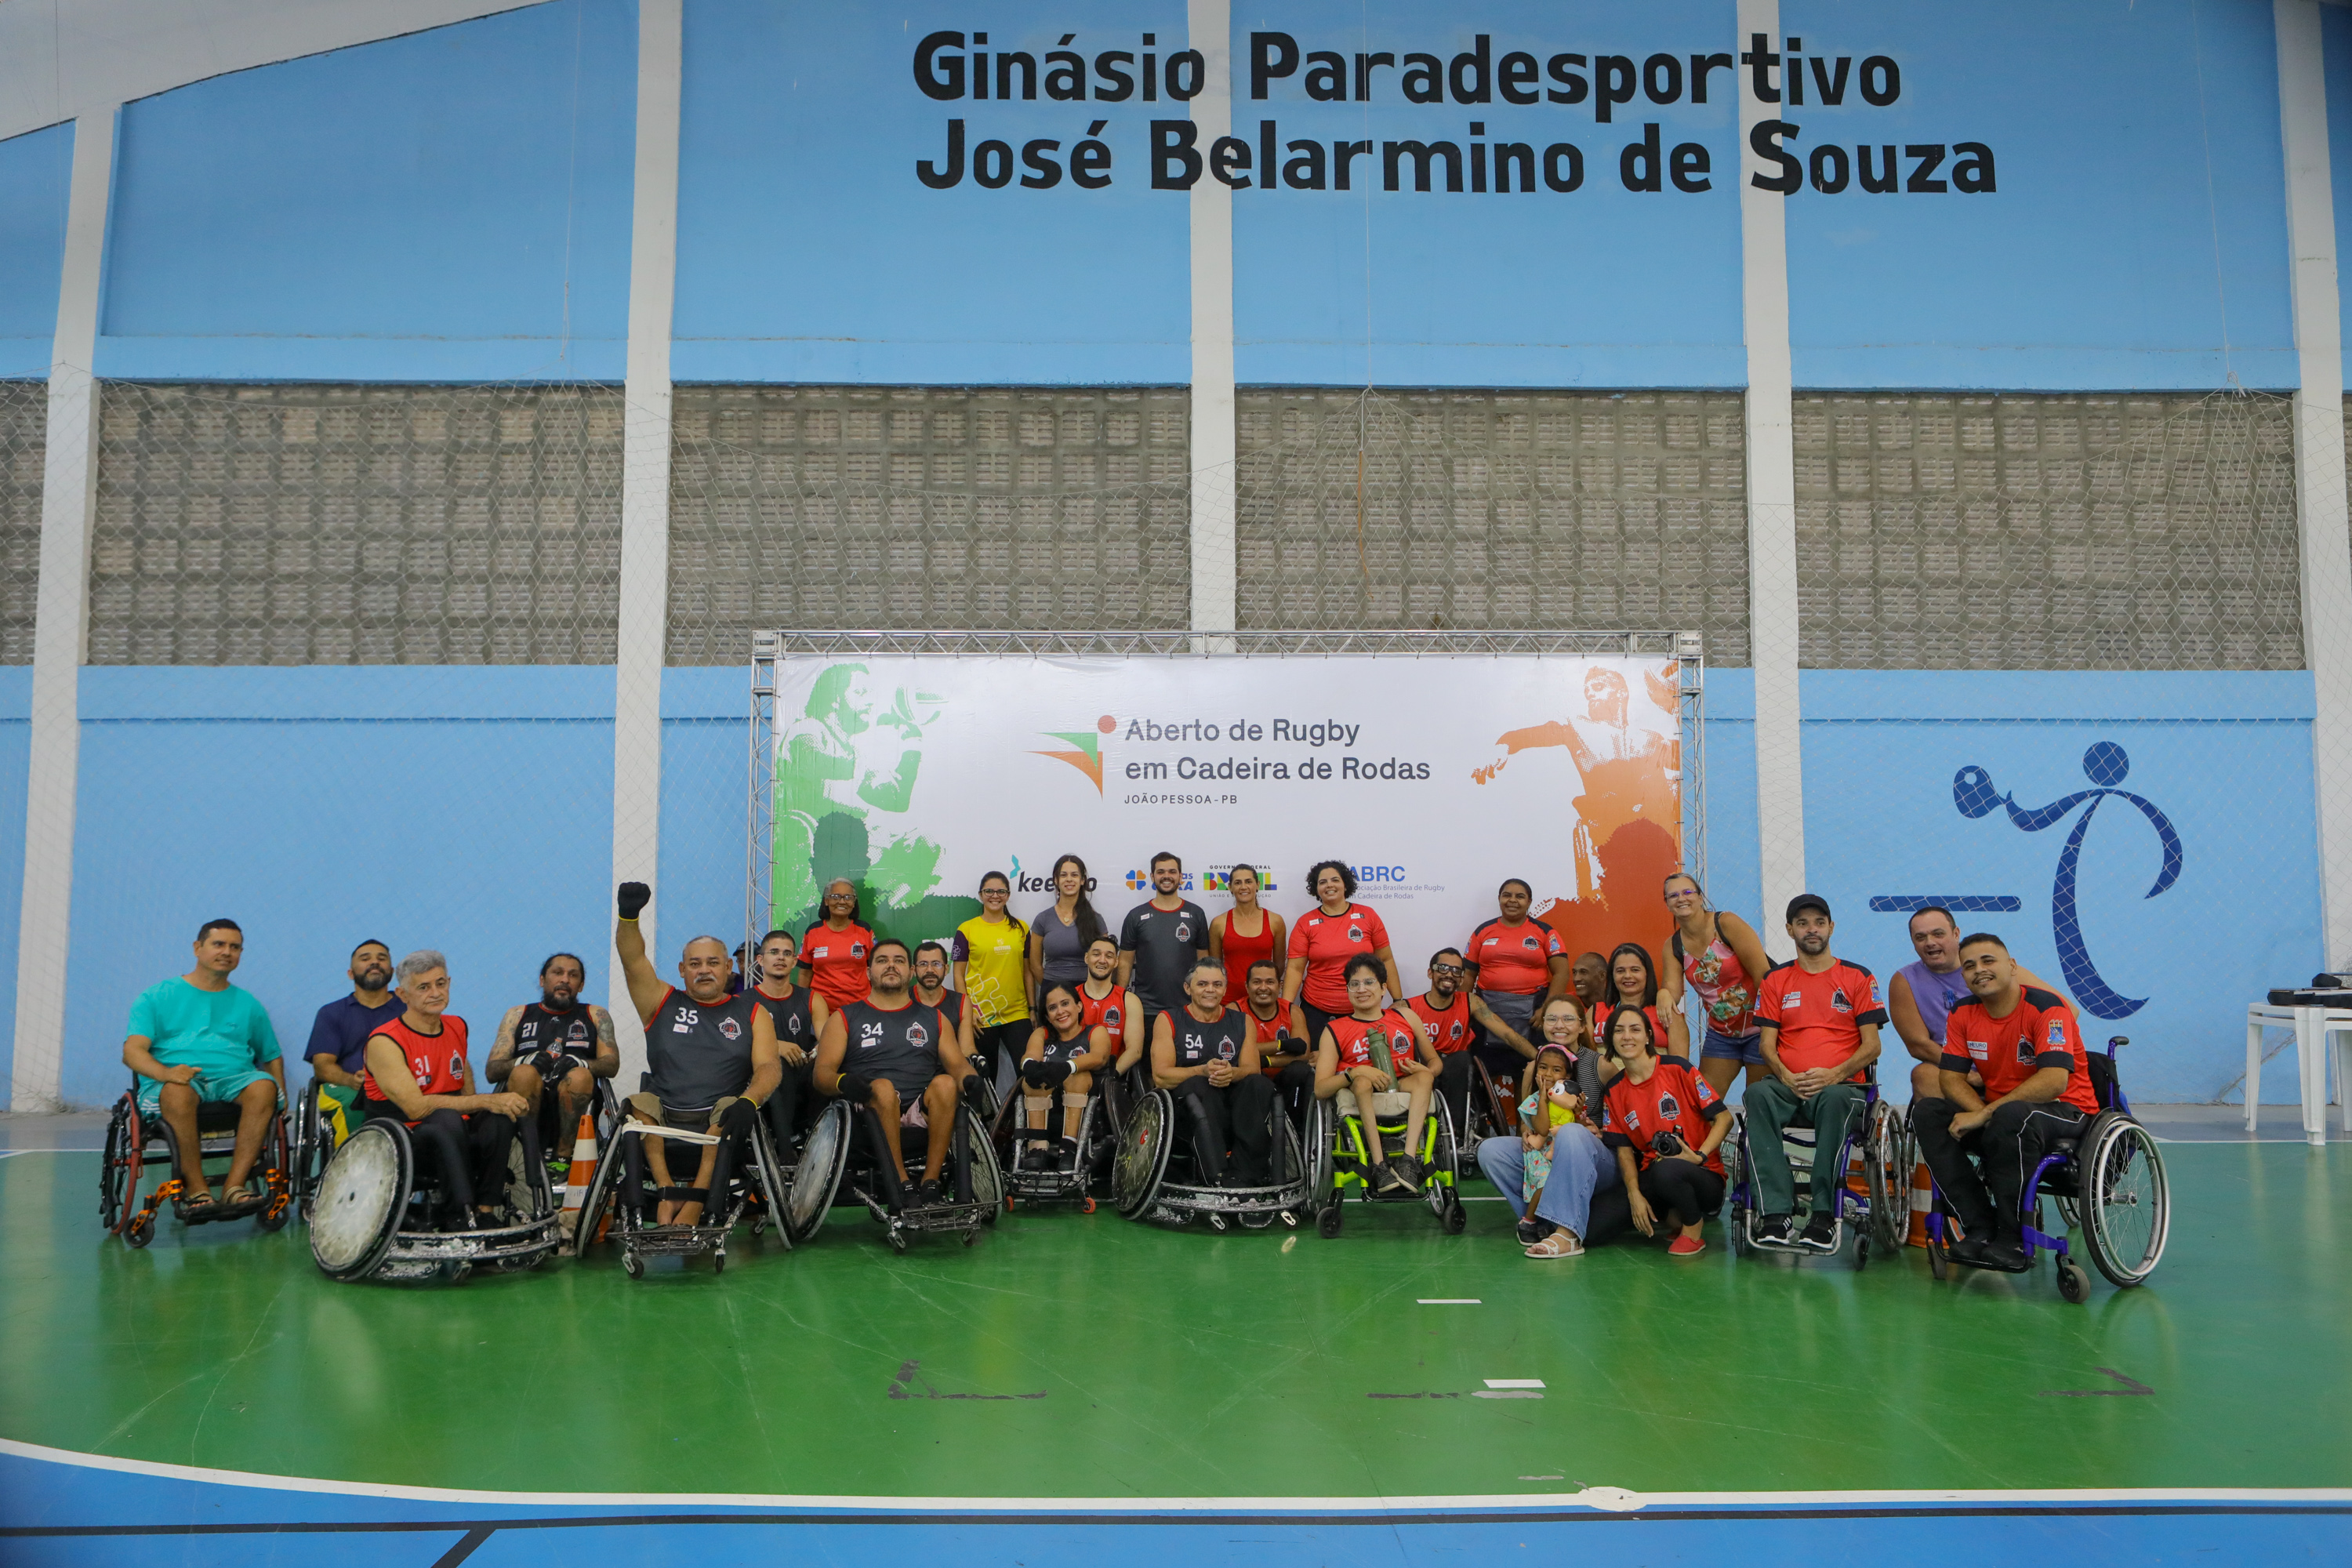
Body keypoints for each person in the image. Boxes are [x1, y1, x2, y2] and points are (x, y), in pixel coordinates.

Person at [1911, 933, 2102, 1270]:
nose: (1978, 970)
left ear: (2012, 967)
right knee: (1928, 1112)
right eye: (1969, 966)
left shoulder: (2047, 1008)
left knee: (2013, 1116)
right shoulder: (1963, 1012)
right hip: (2004, 1114)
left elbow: (2054, 1081)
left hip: (2068, 1110)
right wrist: (1981, 1113)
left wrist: (1984, 1112)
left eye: (1988, 961)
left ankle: (2013, 1237)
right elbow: (1950, 1078)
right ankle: (1980, 1227)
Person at [615, 883, 782, 1228]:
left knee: (727, 1109)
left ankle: (695, 1203)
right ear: (681, 970)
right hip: (664, 1111)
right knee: (639, 1103)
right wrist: (629, 917)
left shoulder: (753, 1013)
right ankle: (666, 1192)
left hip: (719, 1116)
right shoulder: (660, 1001)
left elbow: (769, 1067)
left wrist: (749, 1101)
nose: (704, 970)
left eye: (712, 963)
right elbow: (632, 960)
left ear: (728, 971)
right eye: (695, 963)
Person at [1744, 895, 1884, 1252]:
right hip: (1789, 1083)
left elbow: (1871, 1047)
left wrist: (1833, 1075)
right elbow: (1766, 1046)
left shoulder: (1857, 977)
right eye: (1803, 923)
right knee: (1757, 1095)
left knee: (1836, 1099)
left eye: (1819, 922)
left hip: (1842, 1087)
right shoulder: (1775, 980)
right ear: (1790, 930)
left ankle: (1824, 1213)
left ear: (1831, 928)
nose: (1812, 929)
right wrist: (1786, 1076)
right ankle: (1776, 1213)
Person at [122, 918, 287, 1215]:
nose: (227, 952)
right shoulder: (157, 996)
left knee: (265, 1088)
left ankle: (234, 1188)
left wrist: (281, 1093)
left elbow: (271, 1055)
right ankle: (198, 1191)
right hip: (175, 1080)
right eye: (219, 944)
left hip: (234, 1079)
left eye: (235, 947)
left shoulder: (249, 1004)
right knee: (177, 1092)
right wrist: (166, 1073)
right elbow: (133, 1051)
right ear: (198, 948)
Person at [361, 949, 528, 1228]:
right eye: (423, 987)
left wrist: (486, 1107)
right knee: (447, 1119)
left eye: (440, 983)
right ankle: (457, 1215)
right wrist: (486, 1101)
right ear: (403, 995)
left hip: (452, 1131)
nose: (435, 992)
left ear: (449, 983)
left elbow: (461, 1074)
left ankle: (485, 1211)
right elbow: (417, 1108)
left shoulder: (456, 1026)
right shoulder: (385, 1041)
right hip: (405, 1138)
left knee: (499, 1118)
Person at [816, 937, 985, 1208]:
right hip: (867, 1111)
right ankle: (902, 1183)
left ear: (911, 972)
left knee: (945, 1083)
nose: (891, 966)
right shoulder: (845, 1017)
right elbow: (821, 1074)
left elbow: (957, 1064)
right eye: (882, 961)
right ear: (868, 971)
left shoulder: (935, 1019)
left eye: (899, 961)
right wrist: (843, 1082)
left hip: (921, 1111)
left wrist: (970, 1079)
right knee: (882, 1087)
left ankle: (930, 1184)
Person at [1590, 1007, 1733, 1257]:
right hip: (1654, 1177)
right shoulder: (1614, 1090)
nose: (1627, 1037)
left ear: (1648, 1036)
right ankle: (1671, 1214)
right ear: (1610, 1038)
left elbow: (1724, 1118)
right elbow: (1623, 1151)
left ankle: (1692, 1228)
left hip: (1703, 1175)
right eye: (1618, 1030)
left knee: (1667, 1169)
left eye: (1635, 1029)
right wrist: (1634, 1194)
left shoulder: (1677, 1069)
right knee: (1591, 1230)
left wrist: (1699, 1155)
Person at [1887, 906, 2050, 1103]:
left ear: (1956, 934)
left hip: (2010, 1067)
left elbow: (2065, 1011)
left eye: (1938, 934)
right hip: (1953, 1069)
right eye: (1920, 937)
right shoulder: (1904, 981)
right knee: (1923, 1074)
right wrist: (1966, 1073)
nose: (1930, 943)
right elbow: (1918, 1045)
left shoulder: (2001, 971)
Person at [1473, 1040, 1620, 1259]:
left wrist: (1580, 1118)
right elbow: (1541, 1128)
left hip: (1590, 1161)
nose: (1548, 1074)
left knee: (1571, 1134)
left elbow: (1580, 1129)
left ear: (1568, 1077)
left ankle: (1565, 1231)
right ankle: (1534, 1221)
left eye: (1556, 1070)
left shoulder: (1573, 1100)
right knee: (1488, 1150)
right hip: (1542, 1153)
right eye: (1543, 1067)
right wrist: (1542, 1097)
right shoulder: (1536, 1099)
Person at [1312, 953, 1436, 1196]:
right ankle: (1378, 1165)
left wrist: (1426, 1070)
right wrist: (1354, 1072)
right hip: (1361, 1092)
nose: (1361, 989)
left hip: (1401, 1084)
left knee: (1425, 1079)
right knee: (1361, 1082)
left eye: (1369, 982)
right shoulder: (1334, 1029)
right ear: (1347, 990)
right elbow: (1320, 1089)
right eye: (1354, 984)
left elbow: (1435, 1062)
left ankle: (1409, 1160)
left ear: (1383, 988)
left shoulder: (1405, 1017)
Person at [484, 953, 619, 1173]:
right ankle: (528, 1155)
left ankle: (563, 1158)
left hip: (576, 1104)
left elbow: (611, 1064)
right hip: (527, 1102)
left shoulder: (595, 1015)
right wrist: (522, 1060)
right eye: (557, 973)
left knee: (580, 1075)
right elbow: (492, 1071)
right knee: (524, 1073)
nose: (565, 979)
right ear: (542, 980)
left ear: (581, 985)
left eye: (573, 975)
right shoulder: (517, 1014)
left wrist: (582, 1063)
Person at [1151, 959, 1280, 1186]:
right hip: (1187, 1114)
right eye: (1202, 984)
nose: (1210, 990)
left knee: (1260, 1084)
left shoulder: (1242, 1021)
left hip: (1235, 1109)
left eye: (1217, 984)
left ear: (1225, 989)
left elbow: (1252, 1069)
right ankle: (1216, 1175)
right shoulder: (1168, 1020)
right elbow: (1160, 1076)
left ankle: (1245, 1174)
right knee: (1202, 1086)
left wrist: (1231, 1073)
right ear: (1187, 988)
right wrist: (1202, 1070)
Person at [1657, 873, 1773, 1101]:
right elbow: (1674, 991)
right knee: (1703, 1104)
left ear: (1700, 897)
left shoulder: (1725, 923)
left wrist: (1771, 1031)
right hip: (1722, 1035)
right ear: (1667, 903)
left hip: (1758, 1030)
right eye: (1673, 895)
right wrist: (1663, 993)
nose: (1681, 898)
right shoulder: (1673, 945)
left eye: (1688, 892)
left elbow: (1764, 977)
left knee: (1757, 1102)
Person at [1406, 947, 1536, 1146]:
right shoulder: (1407, 1008)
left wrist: (1540, 1057)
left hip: (1457, 1074)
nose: (1449, 974)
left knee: (1462, 1059)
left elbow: (1507, 1034)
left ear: (1461, 979)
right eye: (1443, 968)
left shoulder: (1470, 1002)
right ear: (1430, 972)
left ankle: (1456, 1133)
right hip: (1420, 1074)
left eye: (1456, 971)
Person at [1283, 859, 1407, 1047]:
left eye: (1335, 880)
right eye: (1322, 882)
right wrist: (1286, 1007)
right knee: (1318, 1064)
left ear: (1345, 884)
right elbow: (1294, 969)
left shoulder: (1368, 916)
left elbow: (1386, 959)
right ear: (1316, 888)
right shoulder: (1305, 923)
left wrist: (1398, 999)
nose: (1329, 885)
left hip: (1364, 1008)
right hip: (1317, 1012)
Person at [1464, 878, 1569, 1083]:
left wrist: (1546, 1010)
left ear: (1529, 901)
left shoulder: (1545, 931)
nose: (1513, 900)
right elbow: (1468, 975)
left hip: (1533, 1014)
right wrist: (1463, 1014)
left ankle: (1526, 1116)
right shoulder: (1482, 931)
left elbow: (1562, 973)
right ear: (1499, 899)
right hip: (1487, 1012)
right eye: (1507, 895)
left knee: (1530, 1074)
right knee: (1481, 1075)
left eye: (1520, 896)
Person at [303, 938, 401, 1148]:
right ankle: (353, 1171)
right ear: (350, 973)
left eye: (381, 958)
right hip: (347, 1087)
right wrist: (351, 1081)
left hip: (401, 1085)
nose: (375, 962)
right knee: (355, 1104)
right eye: (366, 959)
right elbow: (322, 1066)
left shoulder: (409, 1010)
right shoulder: (331, 1013)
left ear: (392, 971)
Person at [746, 927, 829, 1162]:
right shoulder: (743, 1002)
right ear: (760, 960)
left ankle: (822, 1150)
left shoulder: (812, 999)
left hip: (806, 1080)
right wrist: (775, 1046)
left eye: (787, 953)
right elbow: (737, 1046)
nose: (780, 957)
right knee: (777, 1062)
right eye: (774, 952)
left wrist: (820, 1051)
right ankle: (786, 1151)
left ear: (794, 961)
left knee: (828, 1065)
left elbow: (826, 1039)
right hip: (764, 1084)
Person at [1015, 981, 1112, 1171]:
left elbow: (1099, 1057)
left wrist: (1068, 1067)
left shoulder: (1095, 1031)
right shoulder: (1041, 1034)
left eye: (1065, 1004)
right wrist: (1029, 1066)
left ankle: (1069, 1149)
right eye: (1052, 1008)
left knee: (1077, 1076)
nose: (1060, 1011)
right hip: (1047, 1107)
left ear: (1078, 1006)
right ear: (1048, 1017)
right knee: (1032, 1080)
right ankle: (1037, 1149)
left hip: (1087, 1110)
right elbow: (1029, 1056)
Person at [953, 871, 1032, 1087]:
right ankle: (987, 1120)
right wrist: (967, 1012)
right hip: (981, 1014)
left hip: (1017, 1012)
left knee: (1027, 1071)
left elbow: (1027, 972)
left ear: (1008, 895)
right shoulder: (966, 929)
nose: (994, 896)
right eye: (989, 891)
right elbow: (958, 974)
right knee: (985, 1076)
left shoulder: (1022, 928)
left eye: (1001, 891)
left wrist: (1032, 1009)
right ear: (981, 895)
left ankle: (1021, 1118)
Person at [1119, 851, 1211, 1025]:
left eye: (1172, 872)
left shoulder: (1196, 914)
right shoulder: (1136, 916)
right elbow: (1124, 962)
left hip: (1188, 1007)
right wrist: (1119, 999)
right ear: (1152, 877)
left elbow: (1204, 960)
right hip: (1145, 1009)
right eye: (1161, 872)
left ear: (1181, 877)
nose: (1166, 876)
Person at [1240, 957, 1313, 1124]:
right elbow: (1237, 1051)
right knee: (1251, 1076)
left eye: (1270, 982)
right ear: (1247, 986)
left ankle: (1296, 1133)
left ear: (1280, 986)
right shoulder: (1235, 1011)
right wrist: (1281, 1045)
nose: (1263, 988)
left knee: (1301, 1071)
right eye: (1257, 982)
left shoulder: (1292, 1011)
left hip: (1285, 1080)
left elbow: (1304, 1054)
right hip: (1254, 1080)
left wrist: (1266, 1060)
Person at [1028, 854, 1107, 996]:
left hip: (1088, 992)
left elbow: (1105, 959)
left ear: (1082, 880)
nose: (1069, 879)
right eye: (1063, 875)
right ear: (1056, 880)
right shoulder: (1043, 919)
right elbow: (1035, 966)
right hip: (1052, 992)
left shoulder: (1096, 919)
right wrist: (1053, 989)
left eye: (1074, 875)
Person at [1208, 863, 1287, 1007]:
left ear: (1257, 885)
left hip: (1263, 999)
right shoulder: (1218, 923)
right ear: (1230, 887)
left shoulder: (1275, 921)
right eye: (1238, 883)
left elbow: (1279, 966)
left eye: (1248, 882)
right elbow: (1216, 967)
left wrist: (1264, 988)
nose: (1243, 887)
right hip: (1228, 999)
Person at [1595, 942, 1689, 1058]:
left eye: (1635, 970)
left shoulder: (1668, 1013)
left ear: (1647, 974)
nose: (1627, 976)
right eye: (1620, 971)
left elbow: (1680, 1068)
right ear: (1612, 976)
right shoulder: (1596, 1011)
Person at [799, 879, 877, 1011]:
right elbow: (805, 974)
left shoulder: (865, 930)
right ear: (826, 901)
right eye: (835, 896)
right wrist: (801, 1005)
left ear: (853, 903)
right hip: (821, 1011)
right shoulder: (812, 932)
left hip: (861, 1009)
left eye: (848, 897)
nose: (842, 901)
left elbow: (876, 970)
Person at [1076, 934, 1144, 1072]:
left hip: (1112, 1077)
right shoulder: (1071, 998)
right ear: (1086, 958)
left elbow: (1135, 1051)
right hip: (1075, 1074)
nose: (1102, 960)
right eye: (1096, 954)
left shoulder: (1129, 1000)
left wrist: (1109, 1078)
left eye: (1109, 956)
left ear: (1116, 962)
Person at [912, 940, 977, 1063]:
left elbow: (967, 1049)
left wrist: (974, 1059)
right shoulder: (902, 999)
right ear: (914, 970)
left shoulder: (961, 1002)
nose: (930, 970)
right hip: (913, 1072)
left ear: (946, 969)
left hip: (950, 1073)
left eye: (936, 964)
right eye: (923, 964)